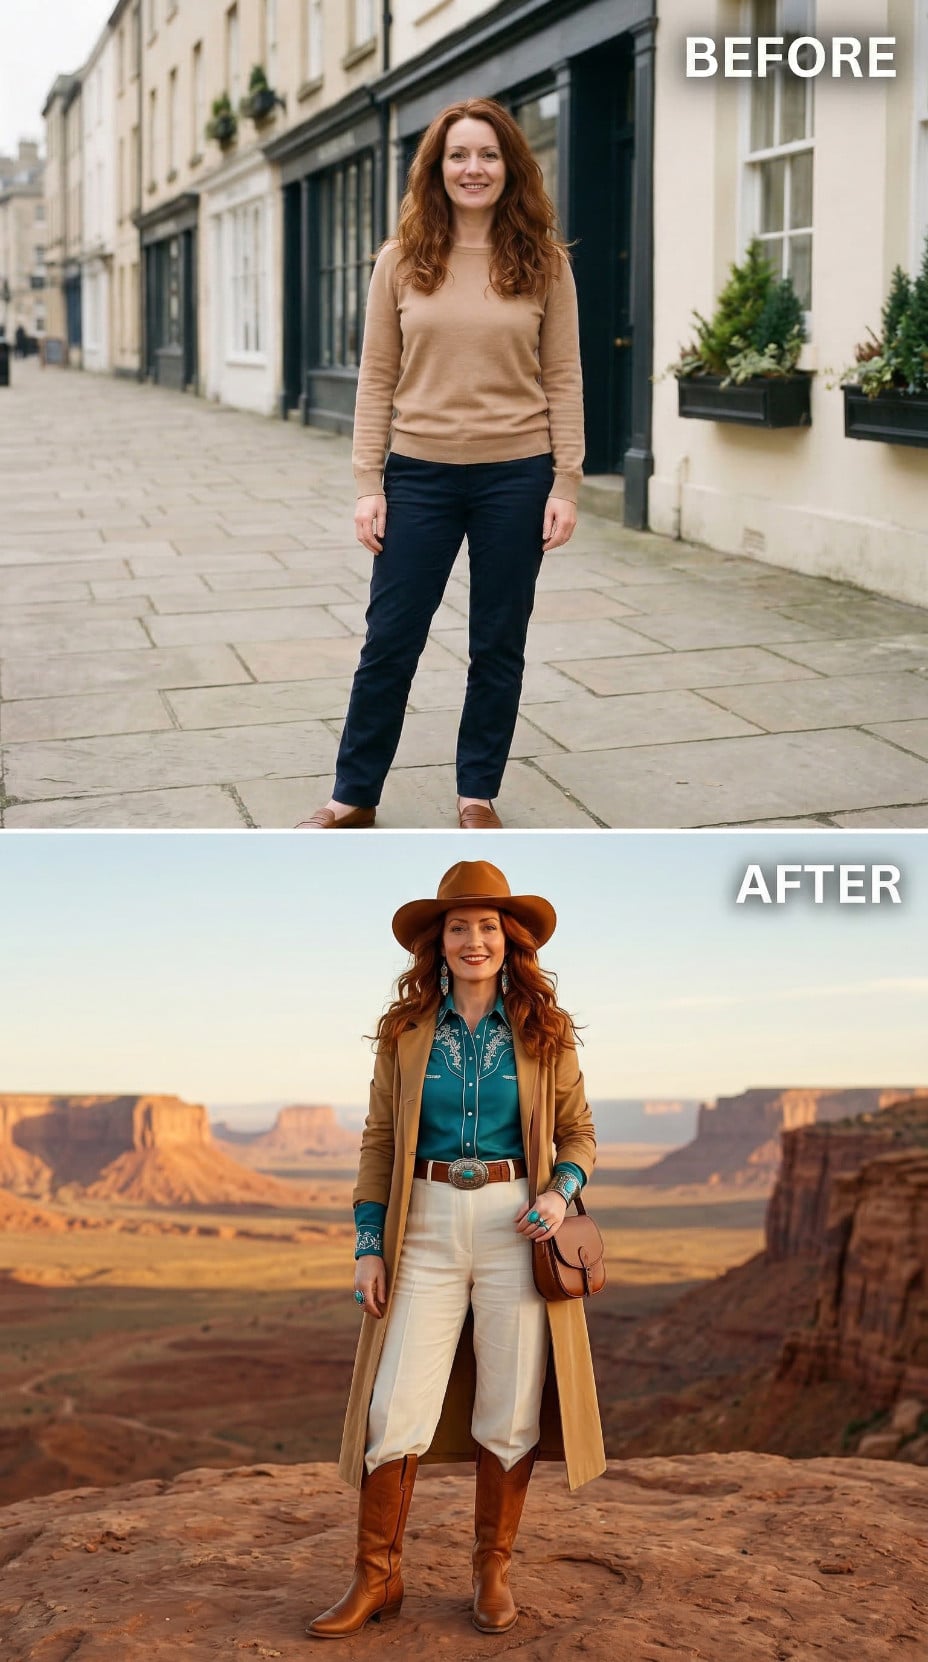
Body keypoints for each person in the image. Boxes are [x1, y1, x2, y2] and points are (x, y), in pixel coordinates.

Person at [306, 860, 605, 1640]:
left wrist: (556, 1190)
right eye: (458, 927)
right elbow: (377, 1141)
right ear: (437, 943)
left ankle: (491, 1573)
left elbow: (579, 1134)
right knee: (394, 1406)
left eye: (488, 927)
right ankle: (379, 1577)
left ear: (510, 942)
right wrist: (369, 1244)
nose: (474, 940)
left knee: (509, 1410)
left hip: (517, 1223)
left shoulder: (547, 1030)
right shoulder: (405, 1033)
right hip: (425, 1225)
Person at [298, 97, 584, 833]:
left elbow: (563, 375)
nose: (473, 168)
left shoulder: (544, 262)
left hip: (516, 476)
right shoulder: (401, 260)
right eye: (458, 155)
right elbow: (375, 376)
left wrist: (566, 482)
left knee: (498, 640)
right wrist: (369, 484)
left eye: (488, 154)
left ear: (510, 166)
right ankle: (353, 795)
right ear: (437, 168)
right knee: (390, 639)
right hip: (418, 475)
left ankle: (476, 795)